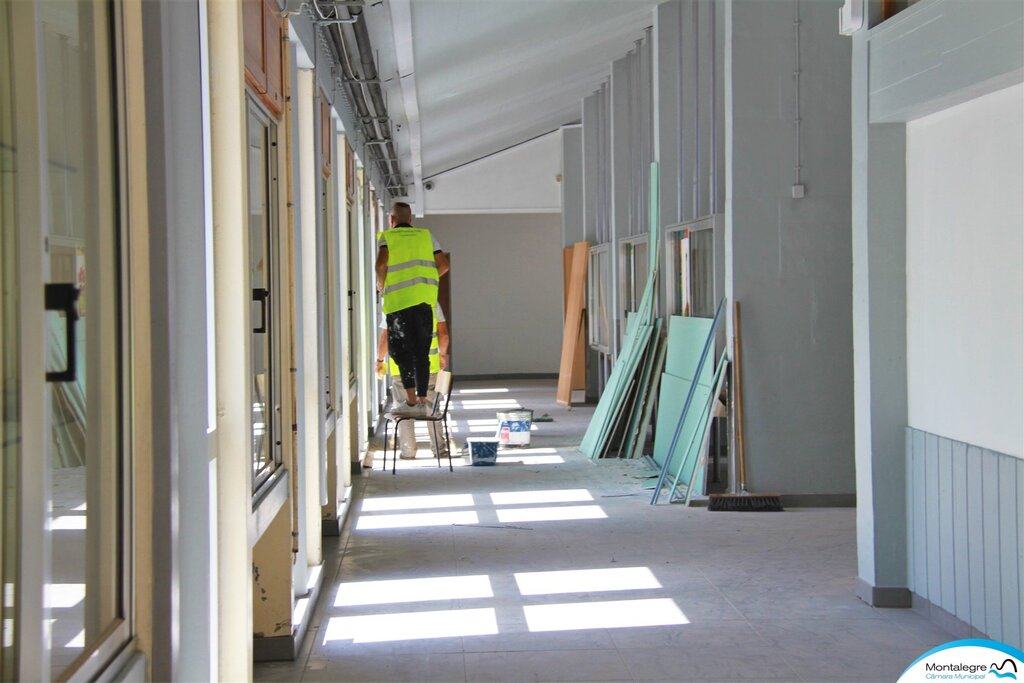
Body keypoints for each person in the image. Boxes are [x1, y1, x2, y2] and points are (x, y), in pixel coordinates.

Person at [375, 202, 449, 414]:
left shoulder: (388, 237)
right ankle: (423, 400)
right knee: (421, 352)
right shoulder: (426, 235)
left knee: (401, 353)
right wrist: (425, 281)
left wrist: (382, 284)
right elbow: (443, 265)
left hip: (399, 303)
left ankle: (410, 402)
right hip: (425, 302)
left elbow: (381, 264)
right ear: (410, 219)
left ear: (392, 220)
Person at [376, 304, 449, 459]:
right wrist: (442, 356)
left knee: (404, 410)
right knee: (431, 408)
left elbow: (385, 337)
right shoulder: (432, 302)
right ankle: (439, 449)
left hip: (401, 370)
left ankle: (408, 452)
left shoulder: (392, 302)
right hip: (430, 367)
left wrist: (380, 360)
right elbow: (443, 335)